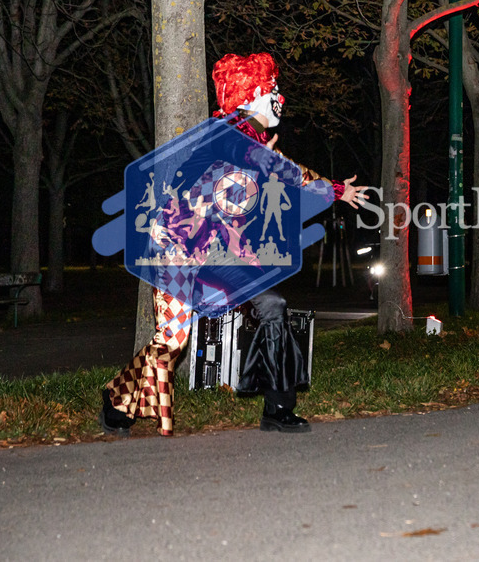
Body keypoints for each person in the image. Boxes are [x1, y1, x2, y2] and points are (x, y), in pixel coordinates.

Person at [99, 52, 367, 437]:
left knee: (272, 305)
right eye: (273, 89)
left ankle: (278, 408)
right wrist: (329, 186)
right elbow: (272, 166)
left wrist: (326, 188)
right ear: (253, 94)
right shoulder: (228, 131)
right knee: (172, 342)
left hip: (216, 251)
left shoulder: (252, 139)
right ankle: (117, 402)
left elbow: (272, 176)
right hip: (176, 248)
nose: (280, 97)